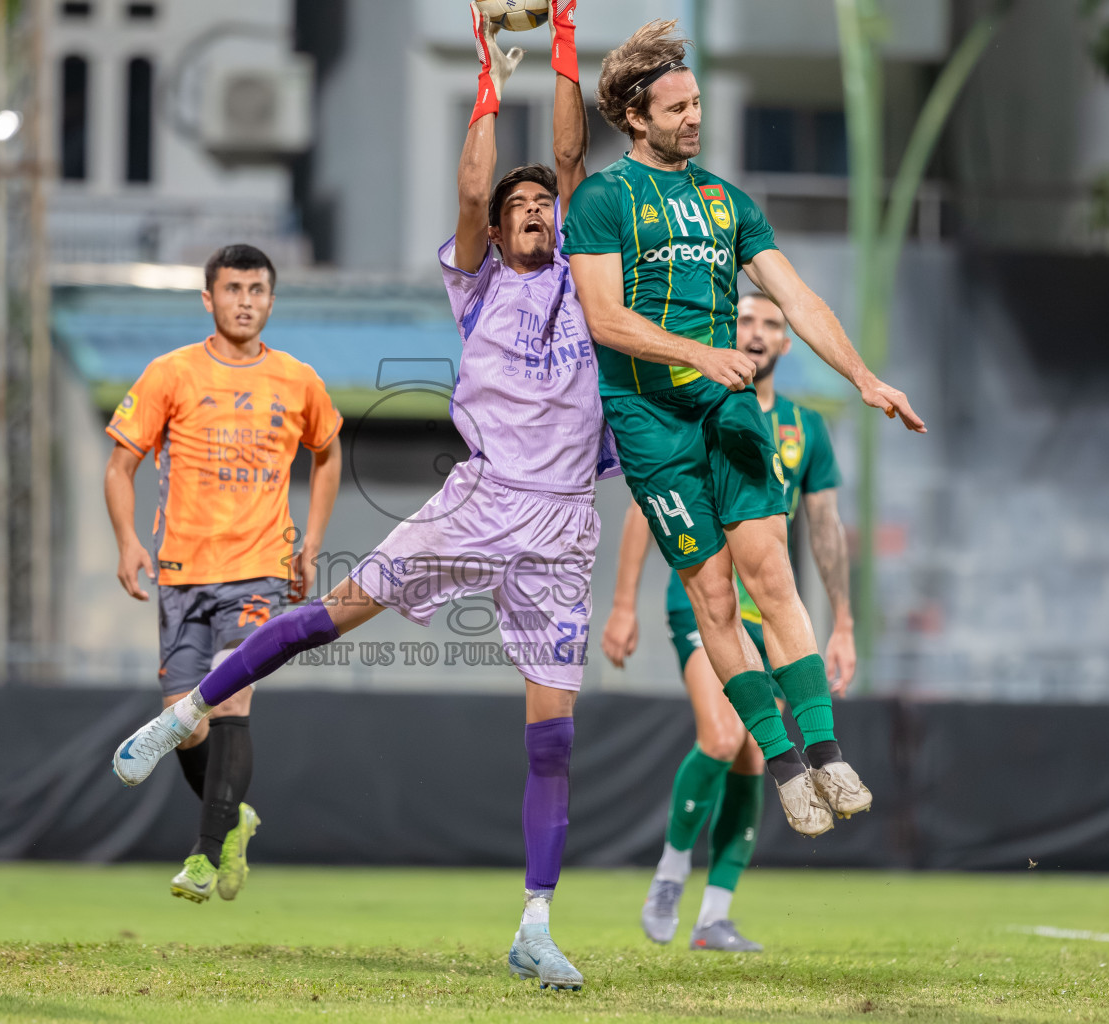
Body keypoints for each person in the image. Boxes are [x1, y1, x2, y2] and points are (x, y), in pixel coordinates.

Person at [111, 0, 609, 991]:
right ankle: (187, 711)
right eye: (521, 210)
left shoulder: (581, 281)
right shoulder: (482, 282)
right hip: (485, 496)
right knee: (327, 616)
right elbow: (476, 188)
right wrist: (485, 73)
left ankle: (536, 924)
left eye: (541, 207)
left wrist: (562, 35)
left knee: (552, 734)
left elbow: (568, 157)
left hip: (564, 526)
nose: (534, 214)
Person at [564, 19, 924, 837]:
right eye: (679, 107)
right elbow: (604, 318)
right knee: (713, 596)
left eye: (697, 103)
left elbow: (797, 298)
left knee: (772, 575)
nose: (695, 118)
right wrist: (702, 351)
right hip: (649, 420)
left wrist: (865, 378)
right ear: (634, 114)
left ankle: (828, 752)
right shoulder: (600, 200)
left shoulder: (726, 202)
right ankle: (786, 765)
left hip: (723, 406)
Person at [603, 292, 857, 952]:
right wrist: (624, 602)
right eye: (746, 318)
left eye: (772, 323)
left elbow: (825, 527)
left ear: (787, 342)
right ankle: (669, 870)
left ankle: (714, 915)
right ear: (726, 328)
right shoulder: (697, 400)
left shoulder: (806, 428)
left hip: (771, 616)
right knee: (721, 736)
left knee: (750, 758)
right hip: (702, 605)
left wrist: (845, 622)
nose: (757, 330)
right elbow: (644, 506)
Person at [104, 243, 343, 904]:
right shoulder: (170, 374)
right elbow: (119, 465)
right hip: (182, 573)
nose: (246, 301)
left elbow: (328, 453)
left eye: (257, 289)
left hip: (261, 571)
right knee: (185, 722)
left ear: (272, 298)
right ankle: (234, 818)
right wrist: (128, 542)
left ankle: (206, 857)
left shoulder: (298, 380)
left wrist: (311, 541)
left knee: (231, 698)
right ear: (208, 300)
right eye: (233, 289)